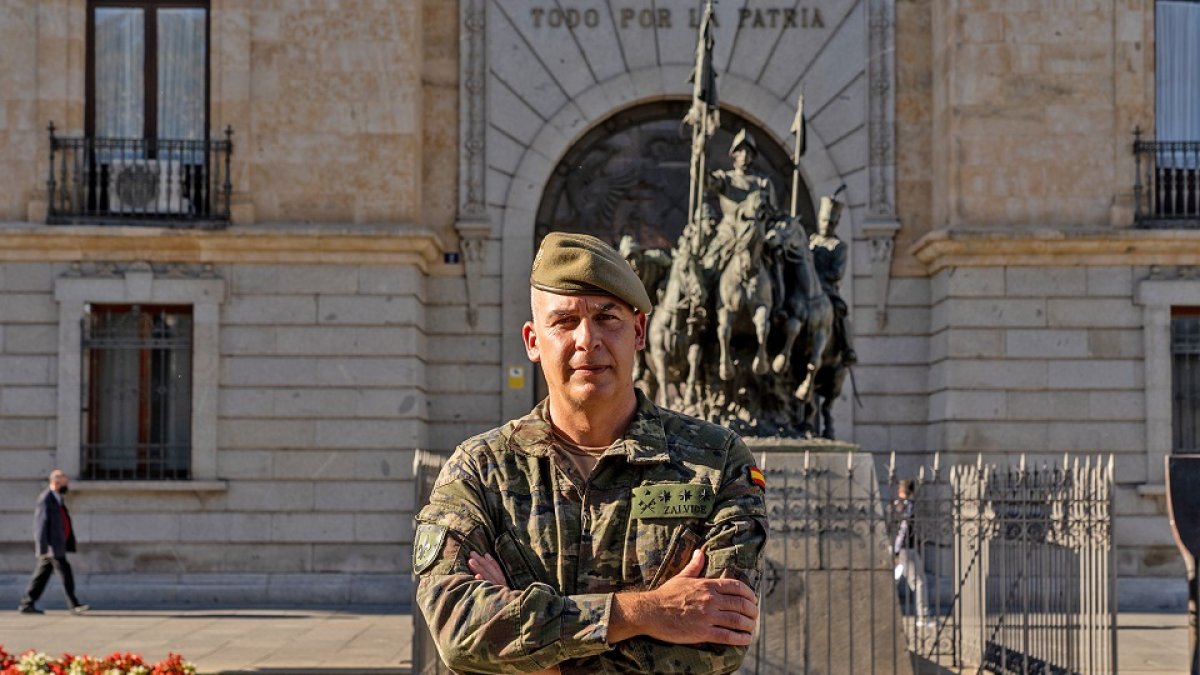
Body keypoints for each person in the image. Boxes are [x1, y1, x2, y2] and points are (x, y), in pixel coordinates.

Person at [414, 232, 768, 673]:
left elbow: (719, 642)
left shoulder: (715, 461)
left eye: (607, 317)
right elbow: (458, 631)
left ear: (638, 331)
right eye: (564, 321)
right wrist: (646, 612)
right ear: (533, 341)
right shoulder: (481, 470)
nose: (588, 339)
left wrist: (534, 658)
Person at [702, 128, 778, 277]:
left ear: (752, 156)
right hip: (729, 231)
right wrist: (699, 158)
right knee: (710, 264)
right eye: (741, 151)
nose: (744, 155)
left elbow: (773, 212)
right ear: (734, 154)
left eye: (748, 152)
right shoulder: (726, 179)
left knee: (777, 266)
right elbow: (706, 180)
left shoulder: (763, 182)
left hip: (757, 233)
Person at [18, 470, 89, 615]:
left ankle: (27, 603)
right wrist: (43, 548)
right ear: (56, 482)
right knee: (65, 573)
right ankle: (73, 604)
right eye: (64, 483)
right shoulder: (46, 498)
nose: (66, 486)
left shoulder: (57, 498)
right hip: (52, 547)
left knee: (41, 576)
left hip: (57, 545)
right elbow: (40, 525)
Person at [808, 192, 858, 365]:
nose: (826, 225)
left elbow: (837, 273)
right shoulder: (811, 242)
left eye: (830, 222)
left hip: (826, 288)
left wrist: (817, 275)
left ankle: (847, 348)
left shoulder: (838, 246)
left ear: (835, 223)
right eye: (823, 221)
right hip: (806, 283)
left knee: (839, 311)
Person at [892, 479, 930, 627]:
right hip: (906, 549)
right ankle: (923, 616)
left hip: (900, 549)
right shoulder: (908, 506)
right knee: (919, 581)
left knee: (896, 580)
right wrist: (896, 551)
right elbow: (903, 529)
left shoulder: (895, 505)